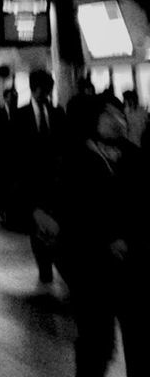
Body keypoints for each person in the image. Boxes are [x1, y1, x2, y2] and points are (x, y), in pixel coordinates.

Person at [53, 94, 148, 377]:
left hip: (133, 263)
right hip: (92, 266)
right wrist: (108, 238)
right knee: (97, 342)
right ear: (91, 119)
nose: (117, 119)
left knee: (140, 341)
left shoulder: (130, 152)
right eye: (108, 114)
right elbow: (80, 205)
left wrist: (134, 139)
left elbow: (141, 196)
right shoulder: (76, 157)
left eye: (119, 113)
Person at [13, 69, 66, 284]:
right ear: (34, 90)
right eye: (43, 91)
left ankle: (54, 261)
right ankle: (44, 267)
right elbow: (14, 150)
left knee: (56, 224)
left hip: (56, 182)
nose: (46, 96)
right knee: (37, 226)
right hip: (32, 181)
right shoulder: (20, 116)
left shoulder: (57, 114)